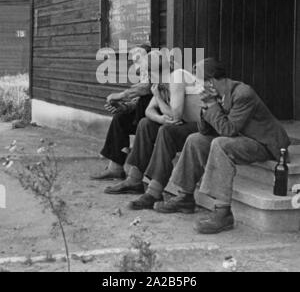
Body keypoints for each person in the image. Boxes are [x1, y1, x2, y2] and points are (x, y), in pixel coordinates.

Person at [154, 58, 291, 234]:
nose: (198, 86)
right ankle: (185, 196)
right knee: (195, 139)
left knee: (221, 144)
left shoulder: (243, 93)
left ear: (211, 82)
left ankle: (223, 212)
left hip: (264, 143)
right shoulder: (217, 95)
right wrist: (205, 108)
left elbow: (228, 130)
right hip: (241, 138)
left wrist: (212, 105)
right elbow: (204, 131)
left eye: (200, 82)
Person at [104, 52, 203, 211]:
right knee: (145, 123)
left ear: (156, 71)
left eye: (146, 71)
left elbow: (175, 115)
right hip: (185, 124)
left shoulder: (176, 76)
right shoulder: (161, 83)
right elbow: (149, 111)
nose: (144, 75)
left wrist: (158, 98)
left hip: (203, 126)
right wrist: (159, 118)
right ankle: (134, 180)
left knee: (166, 131)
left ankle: (154, 192)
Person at [90, 44, 152, 181]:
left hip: (158, 117)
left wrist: (121, 95)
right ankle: (115, 168)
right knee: (120, 118)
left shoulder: (157, 70)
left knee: (125, 117)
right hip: (145, 115)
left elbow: (146, 89)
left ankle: (120, 168)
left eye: (139, 59)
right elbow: (138, 99)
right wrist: (124, 107)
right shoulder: (142, 72)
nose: (136, 63)